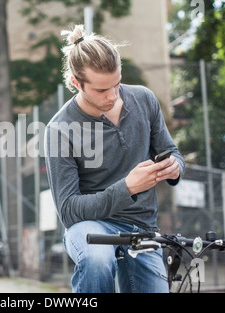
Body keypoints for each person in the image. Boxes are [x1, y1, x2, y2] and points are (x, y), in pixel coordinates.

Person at [44, 24, 185, 293]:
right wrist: (128, 187)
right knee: (97, 259)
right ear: (76, 83)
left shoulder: (144, 100)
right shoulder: (58, 130)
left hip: (142, 225)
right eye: (100, 90)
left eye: (117, 84)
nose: (112, 96)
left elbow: (174, 153)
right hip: (91, 224)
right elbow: (69, 210)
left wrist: (174, 167)